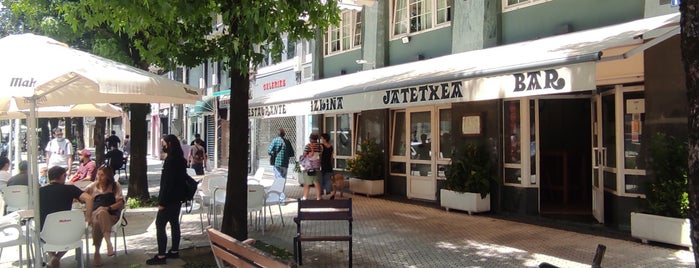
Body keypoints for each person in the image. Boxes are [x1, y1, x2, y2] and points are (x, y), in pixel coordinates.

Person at [39, 166, 93, 268]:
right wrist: (88, 218)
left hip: (47, 233)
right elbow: (89, 199)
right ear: (63, 176)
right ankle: (57, 257)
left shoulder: (40, 191)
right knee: (74, 232)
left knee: (38, 229)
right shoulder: (70, 188)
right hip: (68, 232)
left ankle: (52, 257)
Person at [147, 134, 186, 265]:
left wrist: (162, 202)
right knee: (174, 224)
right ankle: (174, 251)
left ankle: (161, 255)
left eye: (163, 143)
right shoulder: (181, 159)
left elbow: (167, 183)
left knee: (160, 225)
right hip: (177, 199)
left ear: (169, 144)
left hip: (169, 200)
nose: (162, 146)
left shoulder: (171, 161)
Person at [84, 166, 124, 266]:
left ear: (108, 176)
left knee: (100, 215)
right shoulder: (92, 186)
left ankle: (96, 253)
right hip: (94, 214)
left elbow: (120, 203)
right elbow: (82, 196)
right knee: (99, 214)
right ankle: (108, 243)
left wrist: (108, 208)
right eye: (98, 174)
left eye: (102, 175)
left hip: (111, 215)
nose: (99, 177)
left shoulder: (115, 186)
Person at [300, 133, 323, 200]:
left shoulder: (308, 146)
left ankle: (305, 197)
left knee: (307, 183)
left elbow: (304, 155)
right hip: (317, 167)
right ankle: (318, 197)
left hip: (308, 167)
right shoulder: (320, 146)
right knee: (316, 182)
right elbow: (320, 155)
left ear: (310, 138)